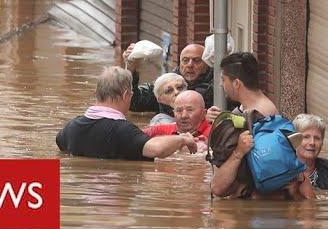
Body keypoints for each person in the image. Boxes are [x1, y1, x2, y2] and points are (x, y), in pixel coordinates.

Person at [209, 52, 314, 200]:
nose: (221, 84)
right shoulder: (245, 110)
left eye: (223, 79)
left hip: (257, 208)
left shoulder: (263, 115)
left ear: (236, 83)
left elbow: (220, 188)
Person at [56, 66, 197, 160]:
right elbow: (157, 150)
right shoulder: (122, 130)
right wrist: (183, 139)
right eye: (131, 95)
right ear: (125, 95)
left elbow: (60, 144)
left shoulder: (71, 127)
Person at [124, 43, 235, 119]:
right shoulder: (168, 83)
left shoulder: (220, 85)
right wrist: (131, 69)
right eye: (185, 60)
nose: (190, 65)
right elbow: (133, 102)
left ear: (207, 63)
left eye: (197, 61)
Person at [143, 90, 211, 154]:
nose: (184, 116)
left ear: (204, 113)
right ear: (173, 113)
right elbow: (134, 139)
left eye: (190, 110)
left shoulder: (215, 133)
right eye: (179, 110)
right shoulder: (158, 131)